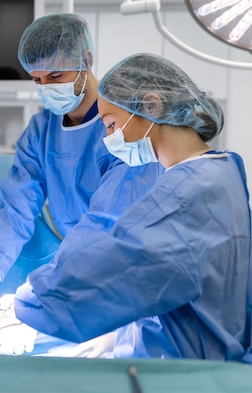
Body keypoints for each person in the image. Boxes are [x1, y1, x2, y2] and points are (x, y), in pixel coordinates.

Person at [14, 53, 252, 361]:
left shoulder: (184, 194)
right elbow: (180, 284)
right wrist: (119, 335)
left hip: (184, 373)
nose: (109, 139)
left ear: (151, 107)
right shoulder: (223, 170)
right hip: (212, 359)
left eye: (111, 124)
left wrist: (25, 300)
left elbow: (115, 270)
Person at [0, 13, 162, 332]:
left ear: (87, 60)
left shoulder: (123, 128)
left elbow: (105, 222)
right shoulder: (42, 130)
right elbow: (16, 209)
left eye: (55, 75)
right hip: (79, 264)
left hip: (127, 266)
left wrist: (44, 293)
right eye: (37, 80)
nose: (46, 88)